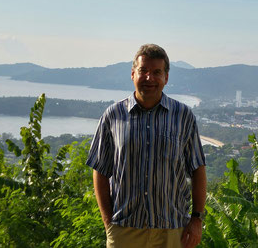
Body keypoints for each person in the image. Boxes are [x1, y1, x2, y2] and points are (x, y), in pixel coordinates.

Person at [86, 44, 206, 248]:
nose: (150, 78)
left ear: (166, 78)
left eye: (157, 72)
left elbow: (197, 169)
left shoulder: (183, 116)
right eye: (143, 71)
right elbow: (100, 171)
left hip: (172, 230)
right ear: (133, 74)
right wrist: (109, 224)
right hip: (125, 230)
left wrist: (196, 219)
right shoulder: (113, 116)